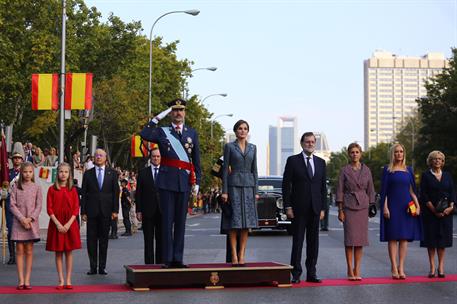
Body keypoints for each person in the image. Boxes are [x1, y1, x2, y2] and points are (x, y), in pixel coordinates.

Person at [140, 98, 201, 268]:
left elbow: (196, 160)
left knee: (180, 223)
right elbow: (144, 134)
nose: (178, 113)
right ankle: (167, 259)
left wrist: (197, 182)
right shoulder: (162, 131)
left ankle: (178, 258)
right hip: (166, 182)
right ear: (170, 113)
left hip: (184, 182)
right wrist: (159, 116)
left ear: (185, 112)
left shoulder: (192, 133)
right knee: (167, 222)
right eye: (174, 110)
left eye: (181, 110)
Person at [282, 132, 327, 284]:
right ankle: (296, 273)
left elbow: (322, 188)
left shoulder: (321, 162)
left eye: (312, 142)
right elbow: (286, 185)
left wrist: (323, 209)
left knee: (313, 243)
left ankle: (312, 273)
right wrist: (287, 206)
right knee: (298, 242)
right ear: (301, 143)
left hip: (315, 209)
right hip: (298, 208)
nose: (310, 144)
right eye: (307, 142)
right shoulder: (293, 161)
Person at [380, 143, 421, 280]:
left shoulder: (409, 170)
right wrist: (385, 207)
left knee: (404, 238)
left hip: (406, 207)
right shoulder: (387, 169)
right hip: (392, 206)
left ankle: (401, 267)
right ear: (393, 154)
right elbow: (384, 191)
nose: (399, 154)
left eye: (401, 151)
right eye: (396, 151)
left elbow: (412, 190)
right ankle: (393, 267)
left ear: (404, 153)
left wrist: (417, 205)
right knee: (392, 237)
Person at [221, 120, 258, 265]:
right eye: (240, 129)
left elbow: (255, 170)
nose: (242, 131)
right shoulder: (229, 146)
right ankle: (234, 256)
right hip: (233, 186)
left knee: (246, 223)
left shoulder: (253, 148)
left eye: (245, 129)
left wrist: (256, 190)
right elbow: (224, 170)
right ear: (235, 131)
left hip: (249, 187)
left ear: (248, 131)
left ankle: (242, 254)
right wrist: (225, 191)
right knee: (234, 222)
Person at [336, 143, 375, 281]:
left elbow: (371, 189)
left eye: (357, 152)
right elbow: (340, 190)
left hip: (363, 206)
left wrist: (372, 206)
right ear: (349, 154)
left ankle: (357, 268)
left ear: (361, 154)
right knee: (350, 239)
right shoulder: (344, 170)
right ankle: (349, 268)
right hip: (348, 206)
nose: (355, 154)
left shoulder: (367, 170)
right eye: (352, 152)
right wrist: (340, 210)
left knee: (360, 240)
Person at [80, 148, 119, 275]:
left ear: (105, 158)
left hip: (106, 212)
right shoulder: (88, 174)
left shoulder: (112, 174)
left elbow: (115, 193)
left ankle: (102, 267)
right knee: (91, 241)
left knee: (104, 241)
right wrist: (83, 212)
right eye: (96, 155)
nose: (98, 157)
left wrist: (115, 210)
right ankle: (93, 267)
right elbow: (84, 194)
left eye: (101, 155)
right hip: (91, 212)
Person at [45, 163, 81, 289]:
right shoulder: (52, 189)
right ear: (57, 173)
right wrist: (58, 224)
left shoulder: (73, 190)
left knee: (69, 252)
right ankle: (60, 279)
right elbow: (49, 209)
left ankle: (68, 279)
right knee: (58, 252)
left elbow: (76, 209)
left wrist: (68, 224)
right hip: (57, 223)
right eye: (61, 171)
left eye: (66, 172)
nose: (63, 174)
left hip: (70, 223)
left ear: (69, 174)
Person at [419, 150, 455, 278]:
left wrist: (450, 207)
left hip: (446, 214)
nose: (437, 161)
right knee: (431, 241)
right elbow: (423, 195)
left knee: (442, 241)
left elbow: (452, 193)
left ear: (443, 161)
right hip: (430, 214)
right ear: (430, 161)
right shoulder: (426, 175)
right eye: (434, 159)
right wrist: (434, 210)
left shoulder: (448, 176)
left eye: (439, 159)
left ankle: (441, 267)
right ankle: (432, 267)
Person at [9, 162, 42, 290]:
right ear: (21, 173)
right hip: (19, 223)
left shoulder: (37, 187)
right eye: (25, 172)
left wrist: (30, 219)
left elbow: (39, 206)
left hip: (31, 223)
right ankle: (20, 280)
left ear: (33, 173)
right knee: (19, 251)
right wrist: (22, 219)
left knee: (29, 251)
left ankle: (27, 280)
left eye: (30, 172)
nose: (27, 174)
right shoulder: (16, 187)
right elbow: (12, 205)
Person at [136, 147, 163, 264]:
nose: (156, 158)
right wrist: (138, 210)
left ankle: (160, 264)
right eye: (154, 156)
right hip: (147, 211)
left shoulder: (166, 172)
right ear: (150, 157)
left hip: (162, 211)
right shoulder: (143, 172)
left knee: (161, 240)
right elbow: (139, 193)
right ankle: (148, 266)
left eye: (158, 156)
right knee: (148, 240)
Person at [5, 150, 24, 265]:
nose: (17, 160)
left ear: (22, 160)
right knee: (11, 230)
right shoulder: (8, 173)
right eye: (15, 158)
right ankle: (12, 256)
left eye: (18, 158)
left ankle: (20, 254)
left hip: (22, 205)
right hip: (10, 205)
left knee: (21, 231)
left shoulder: (25, 173)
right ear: (12, 160)